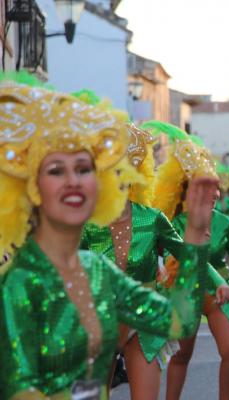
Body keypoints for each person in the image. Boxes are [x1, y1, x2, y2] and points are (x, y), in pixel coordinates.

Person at [0, 78, 217, 400]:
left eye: (84, 169)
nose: (73, 181)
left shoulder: (98, 272)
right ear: (33, 188)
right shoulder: (19, 281)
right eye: (57, 170)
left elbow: (179, 321)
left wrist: (197, 236)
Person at [144, 122, 229, 400]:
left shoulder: (224, 222)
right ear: (186, 191)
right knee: (182, 355)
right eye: (200, 186)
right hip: (185, 290)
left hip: (220, 293)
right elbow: (192, 259)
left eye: (211, 185)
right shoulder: (174, 224)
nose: (210, 191)